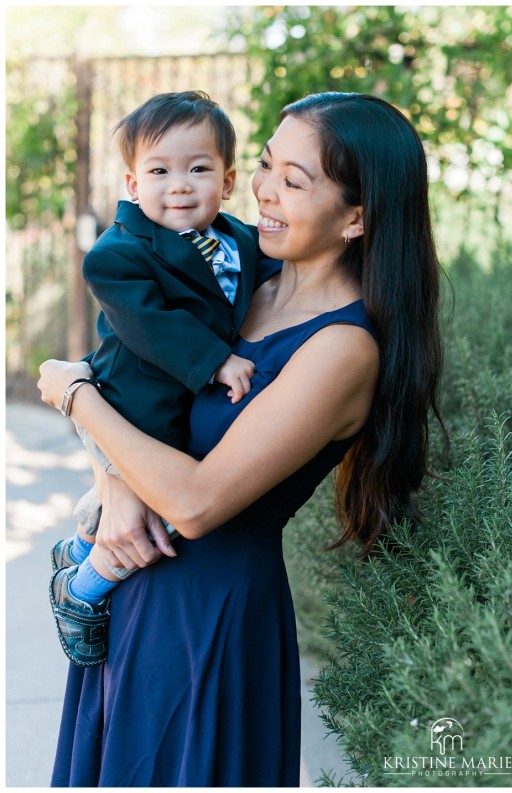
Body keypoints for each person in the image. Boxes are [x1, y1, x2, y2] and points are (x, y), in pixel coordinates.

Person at [38, 91, 444, 788]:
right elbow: (136, 380)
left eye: (294, 180)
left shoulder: (341, 347)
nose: (261, 190)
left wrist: (73, 395)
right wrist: (113, 482)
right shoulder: (242, 278)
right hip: (134, 580)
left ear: (357, 216)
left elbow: (195, 502)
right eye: (263, 164)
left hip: (208, 618)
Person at [48, 91, 263, 667]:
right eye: (159, 171)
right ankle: (82, 587)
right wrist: (215, 360)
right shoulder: (117, 254)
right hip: (127, 408)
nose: (180, 186)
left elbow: (273, 280)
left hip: (174, 413)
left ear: (228, 178)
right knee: (150, 521)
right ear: (132, 183)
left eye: (199, 169)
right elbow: (151, 325)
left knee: (153, 505)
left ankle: (73, 548)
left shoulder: (242, 239)